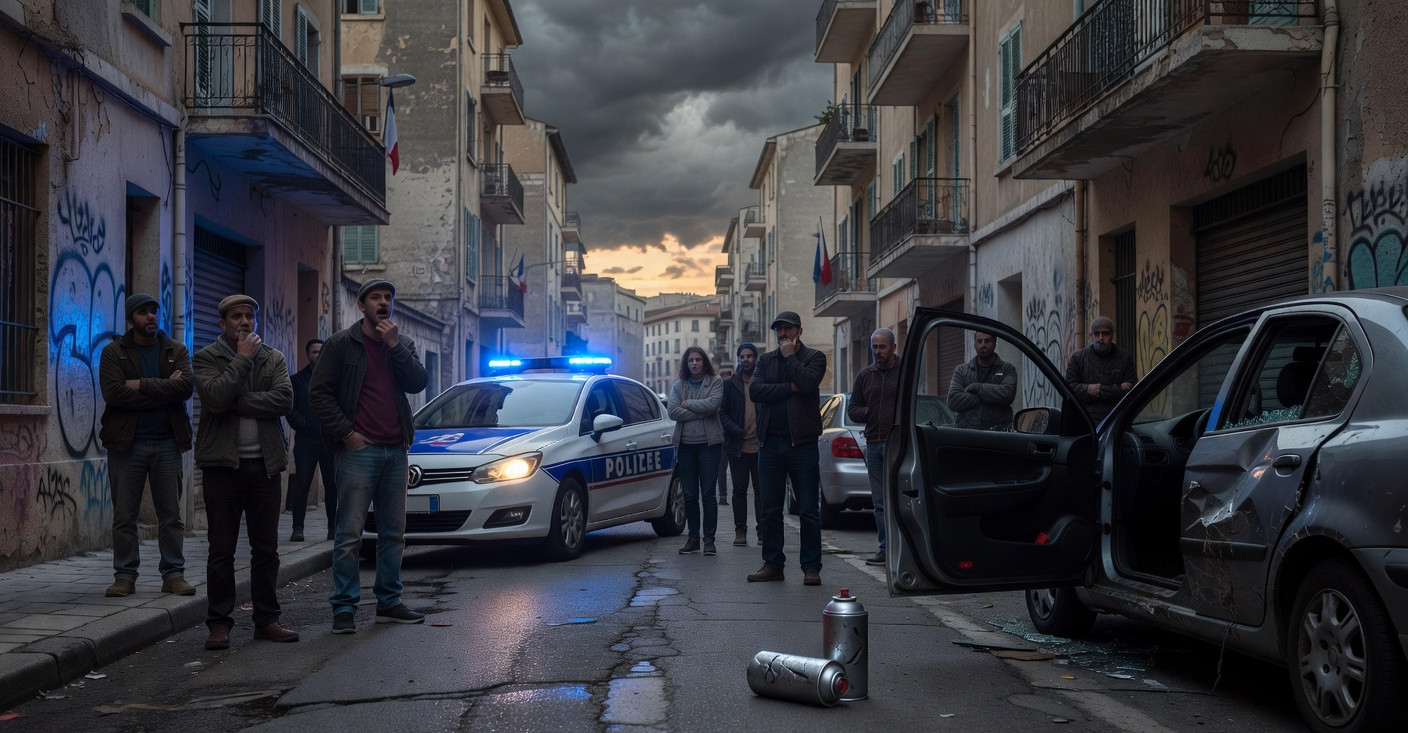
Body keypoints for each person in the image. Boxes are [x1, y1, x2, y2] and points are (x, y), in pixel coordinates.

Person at [311, 279, 429, 634]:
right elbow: (319, 395)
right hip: (358, 452)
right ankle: (344, 608)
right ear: (361, 306)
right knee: (349, 534)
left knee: (394, 533)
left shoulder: (402, 343)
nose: (383, 303)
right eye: (375, 297)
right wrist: (347, 435)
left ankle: (389, 601)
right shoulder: (340, 345)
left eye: (388, 297)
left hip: (396, 450)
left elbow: (417, 382)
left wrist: (394, 347)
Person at [192, 294, 300, 650]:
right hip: (223, 466)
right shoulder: (207, 357)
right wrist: (241, 360)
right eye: (236, 316)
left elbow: (284, 401)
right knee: (221, 549)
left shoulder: (273, 357)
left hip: (265, 466)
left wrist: (235, 403)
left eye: (250, 317)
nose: (244, 322)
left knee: (266, 548)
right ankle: (219, 623)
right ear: (223, 324)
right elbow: (213, 397)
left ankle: (267, 619)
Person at [97, 294, 195, 598]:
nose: (150, 316)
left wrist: (140, 383)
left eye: (154, 311)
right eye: (143, 312)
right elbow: (114, 394)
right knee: (124, 515)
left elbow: (186, 387)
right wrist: (165, 390)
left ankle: (173, 574)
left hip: (168, 442)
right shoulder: (114, 352)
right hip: (128, 445)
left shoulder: (175, 350)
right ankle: (125, 576)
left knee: (171, 516)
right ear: (131, 318)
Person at [748, 311, 827, 586]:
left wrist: (791, 358)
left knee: (808, 508)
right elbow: (756, 391)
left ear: (799, 331)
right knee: (770, 509)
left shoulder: (814, 358)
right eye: (778, 329)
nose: (782, 334)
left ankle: (811, 567)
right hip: (770, 443)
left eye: (787, 329)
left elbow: (807, 383)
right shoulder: (766, 360)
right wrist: (788, 387)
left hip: (802, 444)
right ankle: (772, 564)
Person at [847, 328, 900, 566]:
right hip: (874, 445)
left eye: (883, 347)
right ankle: (885, 548)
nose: (878, 351)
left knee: (900, 500)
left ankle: (904, 550)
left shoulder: (904, 371)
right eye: (875, 347)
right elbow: (853, 409)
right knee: (879, 503)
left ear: (893, 347)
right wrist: (869, 412)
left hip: (899, 446)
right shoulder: (864, 376)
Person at [667, 346, 725, 555]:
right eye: (691, 360)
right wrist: (701, 412)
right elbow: (672, 411)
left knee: (708, 494)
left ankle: (709, 540)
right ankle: (693, 538)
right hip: (685, 447)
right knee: (689, 495)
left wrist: (689, 404)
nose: (694, 363)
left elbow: (713, 405)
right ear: (686, 363)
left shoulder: (715, 382)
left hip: (709, 446)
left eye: (698, 360)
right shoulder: (679, 385)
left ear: (704, 362)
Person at [286, 338, 336, 542]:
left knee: (332, 486)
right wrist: (303, 424)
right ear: (308, 355)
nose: (318, 355)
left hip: (330, 441)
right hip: (306, 442)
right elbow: (289, 408)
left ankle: (333, 529)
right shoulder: (297, 380)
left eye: (321, 352)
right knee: (302, 485)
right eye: (314, 352)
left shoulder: (334, 379)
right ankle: (297, 528)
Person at [719, 343, 761, 547]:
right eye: (742, 356)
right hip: (737, 446)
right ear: (738, 359)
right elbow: (722, 414)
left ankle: (762, 531)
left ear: (755, 358)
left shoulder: (763, 382)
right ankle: (740, 531)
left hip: (761, 446)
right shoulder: (729, 384)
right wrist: (736, 430)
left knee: (762, 491)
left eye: (749, 356)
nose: (746, 359)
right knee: (739, 491)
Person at [1065, 315, 1137, 424]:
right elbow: (1069, 388)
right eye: (1096, 334)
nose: (1100, 338)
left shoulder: (1124, 357)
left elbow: (1131, 390)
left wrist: (1094, 389)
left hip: (1116, 420)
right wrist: (1116, 389)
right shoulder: (1078, 358)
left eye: (1105, 333)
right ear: (1091, 336)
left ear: (1112, 335)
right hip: (1085, 422)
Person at [948, 331, 1018, 430]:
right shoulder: (961, 371)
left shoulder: (1007, 369)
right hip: (966, 435)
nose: (983, 345)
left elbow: (1008, 394)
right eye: (979, 341)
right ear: (974, 344)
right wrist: (991, 396)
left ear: (994, 343)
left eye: (987, 341)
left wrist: (976, 388)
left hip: (998, 436)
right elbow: (953, 401)